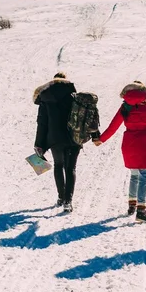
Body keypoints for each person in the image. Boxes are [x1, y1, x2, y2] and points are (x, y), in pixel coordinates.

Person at [94, 81, 146, 222]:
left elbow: (113, 126)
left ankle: (131, 205)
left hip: (129, 144)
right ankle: (141, 211)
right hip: (145, 144)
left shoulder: (125, 106)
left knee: (134, 175)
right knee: (144, 177)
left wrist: (101, 139)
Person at [33, 72, 98, 212]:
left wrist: (39, 144)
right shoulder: (75, 97)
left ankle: (61, 197)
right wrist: (95, 135)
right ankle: (68, 202)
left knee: (58, 165)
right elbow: (87, 117)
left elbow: (42, 124)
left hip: (55, 139)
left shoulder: (45, 99)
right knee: (71, 168)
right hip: (74, 138)